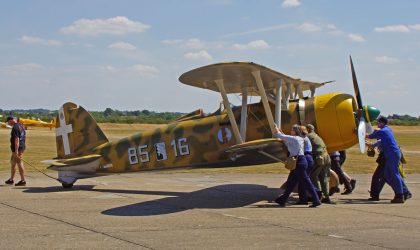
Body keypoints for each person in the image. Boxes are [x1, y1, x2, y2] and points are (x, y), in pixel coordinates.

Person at [273, 124, 321, 208]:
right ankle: (283, 199)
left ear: (295, 131)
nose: (291, 131)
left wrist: (276, 129)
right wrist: (281, 133)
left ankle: (316, 199)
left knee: (306, 182)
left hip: (299, 162)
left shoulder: (295, 138)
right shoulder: (299, 138)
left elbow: (279, 136)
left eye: (292, 130)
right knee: (291, 182)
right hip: (300, 161)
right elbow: (286, 140)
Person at [366, 116, 404, 203]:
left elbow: (369, 136)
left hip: (392, 154)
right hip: (390, 154)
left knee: (394, 174)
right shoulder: (387, 130)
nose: (377, 123)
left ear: (382, 123)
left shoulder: (383, 131)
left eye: (378, 122)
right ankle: (399, 192)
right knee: (387, 175)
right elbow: (377, 141)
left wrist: (357, 133)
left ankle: (400, 195)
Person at [306, 124, 334, 204]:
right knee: (325, 177)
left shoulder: (308, 136)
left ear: (308, 129)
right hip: (327, 157)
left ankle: (318, 195)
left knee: (313, 176)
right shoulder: (317, 136)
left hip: (319, 158)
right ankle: (326, 196)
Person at [4, 116, 27, 186]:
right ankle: (11, 179)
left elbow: (16, 139)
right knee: (13, 162)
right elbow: (24, 137)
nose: (8, 123)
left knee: (19, 163)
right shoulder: (21, 125)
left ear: (12, 120)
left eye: (8, 122)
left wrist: (16, 151)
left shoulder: (15, 127)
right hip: (20, 147)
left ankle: (23, 180)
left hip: (17, 149)